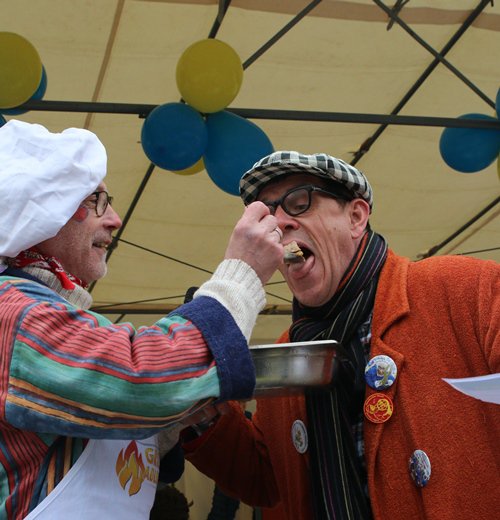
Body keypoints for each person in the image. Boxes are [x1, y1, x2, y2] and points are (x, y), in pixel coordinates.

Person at [182, 151, 500, 520]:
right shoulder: (289, 351)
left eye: (299, 202)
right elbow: (269, 481)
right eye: (266, 213)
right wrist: (204, 411)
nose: (278, 223)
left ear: (356, 216)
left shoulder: (462, 288)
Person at [0, 119, 285, 520]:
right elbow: (142, 376)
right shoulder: (14, 312)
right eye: (97, 200)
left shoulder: (48, 312)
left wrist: (182, 414)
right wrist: (240, 275)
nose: (115, 219)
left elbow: (91, 439)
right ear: (44, 211)